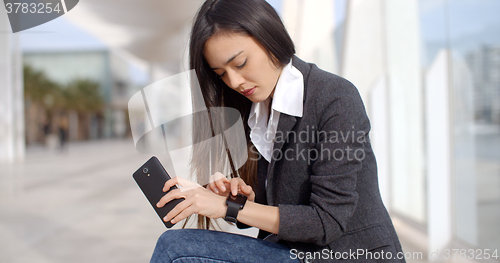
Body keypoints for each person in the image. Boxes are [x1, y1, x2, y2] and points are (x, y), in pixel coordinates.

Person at [150, 0, 405, 262]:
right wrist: (241, 199)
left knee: (175, 249)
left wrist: (229, 208)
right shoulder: (256, 111)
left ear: (269, 36)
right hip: (296, 251)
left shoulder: (335, 97)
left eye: (240, 63)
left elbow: (326, 222)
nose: (234, 82)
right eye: (221, 74)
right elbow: (283, 208)